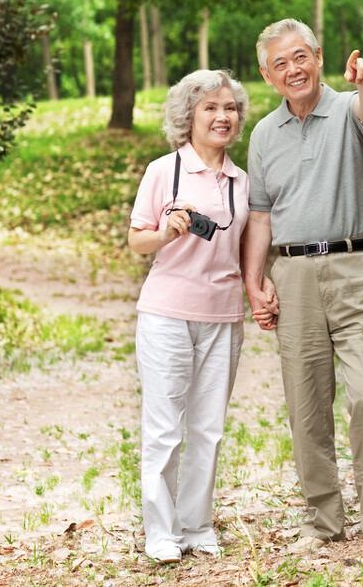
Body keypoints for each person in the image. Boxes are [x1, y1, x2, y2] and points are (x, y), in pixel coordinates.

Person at [242, 18, 363, 553]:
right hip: (295, 275)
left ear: (319, 56)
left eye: (300, 56)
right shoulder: (263, 135)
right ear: (268, 74)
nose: (293, 69)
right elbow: (260, 216)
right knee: (306, 405)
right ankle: (324, 519)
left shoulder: (349, 109)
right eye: (280, 63)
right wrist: (254, 280)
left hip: (356, 268)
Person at [127, 69, 251, 563]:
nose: (223, 117)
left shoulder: (243, 181)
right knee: (164, 428)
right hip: (167, 314)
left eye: (230, 108)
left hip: (224, 316)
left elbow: (247, 247)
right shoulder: (164, 171)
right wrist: (165, 234)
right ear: (189, 116)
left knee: (208, 428)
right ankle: (160, 532)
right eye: (210, 108)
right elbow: (138, 239)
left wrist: (258, 291)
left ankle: (196, 525)